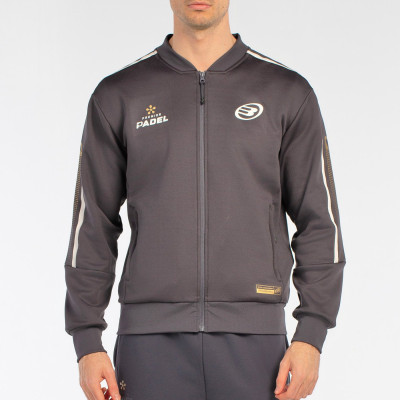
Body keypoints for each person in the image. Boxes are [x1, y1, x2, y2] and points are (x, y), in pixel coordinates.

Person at [64, 1, 346, 399]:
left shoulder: (287, 93)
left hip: (257, 344)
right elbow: (92, 224)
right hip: (149, 344)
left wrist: (311, 334)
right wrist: (87, 340)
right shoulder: (119, 95)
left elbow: (320, 222)